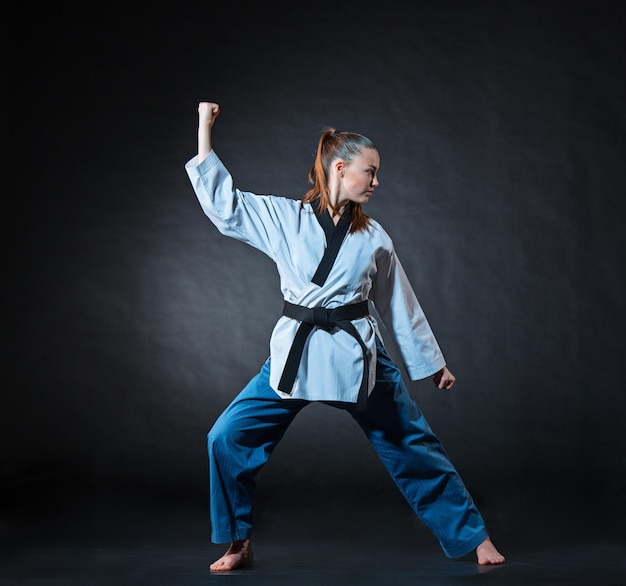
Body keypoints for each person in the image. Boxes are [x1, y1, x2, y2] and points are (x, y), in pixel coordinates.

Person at [185, 101, 506, 571]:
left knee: (413, 443)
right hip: (296, 352)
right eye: (370, 172)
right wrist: (203, 127)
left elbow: (400, 303)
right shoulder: (283, 217)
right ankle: (237, 541)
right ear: (340, 168)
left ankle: (474, 537)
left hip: (358, 355)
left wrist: (433, 365)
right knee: (226, 436)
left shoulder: (375, 236)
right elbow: (225, 204)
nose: (376, 182)